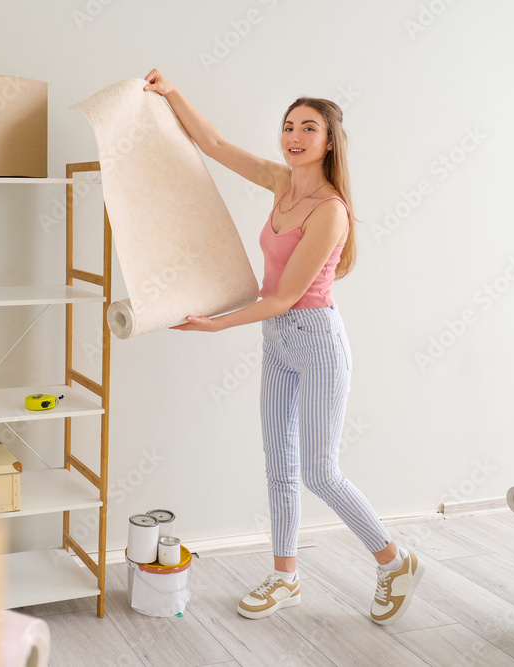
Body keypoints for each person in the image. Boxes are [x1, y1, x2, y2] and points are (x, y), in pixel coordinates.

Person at [142, 68, 424, 625]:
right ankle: (285, 576)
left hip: (316, 340)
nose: (294, 136)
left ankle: (395, 561)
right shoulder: (281, 183)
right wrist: (172, 93)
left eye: (308, 128)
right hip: (278, 342)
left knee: (320, 470)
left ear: (329, 141)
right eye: (288, 126)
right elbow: (216, 145)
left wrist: (213, 325)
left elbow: (284, 296)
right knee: (279, 463)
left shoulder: (330, 211)